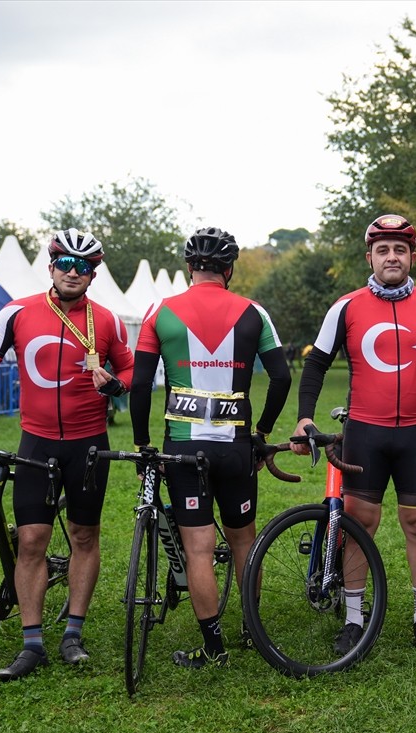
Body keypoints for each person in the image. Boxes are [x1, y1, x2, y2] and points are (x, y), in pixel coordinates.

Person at [0, 228, 134, 681]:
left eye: (83, 267)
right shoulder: (17, 312)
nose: (73, 272)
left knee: (84, 536)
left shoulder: (107, 321)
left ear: (94, 274)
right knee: (30, 541)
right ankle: (32, 644)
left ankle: (73, 635)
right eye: (65, 263)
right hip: (36, 443)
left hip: (88, 445)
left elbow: (130, 365)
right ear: (50, 267)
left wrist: (118, 383)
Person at [293, 213, 416, 652]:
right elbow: (315, 364)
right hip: (365, 432)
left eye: (400, 249)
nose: (392, 256)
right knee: (358, 525)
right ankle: (354, 618)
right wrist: (304, 417)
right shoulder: (347, 306)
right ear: (370, 256)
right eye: (383, 249)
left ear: (412, 257)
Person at [130, 226, 291, 669]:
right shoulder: (254, 311)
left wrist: (143, 443)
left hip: (182, 448)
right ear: (230, 269)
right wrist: (261, 431)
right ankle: (250, 629)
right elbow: (282, 377)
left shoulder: (160, 311)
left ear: (189, 268)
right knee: (243, 540)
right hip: (236, 446)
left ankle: (213, 647)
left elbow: (140, 383)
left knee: (198, 548)